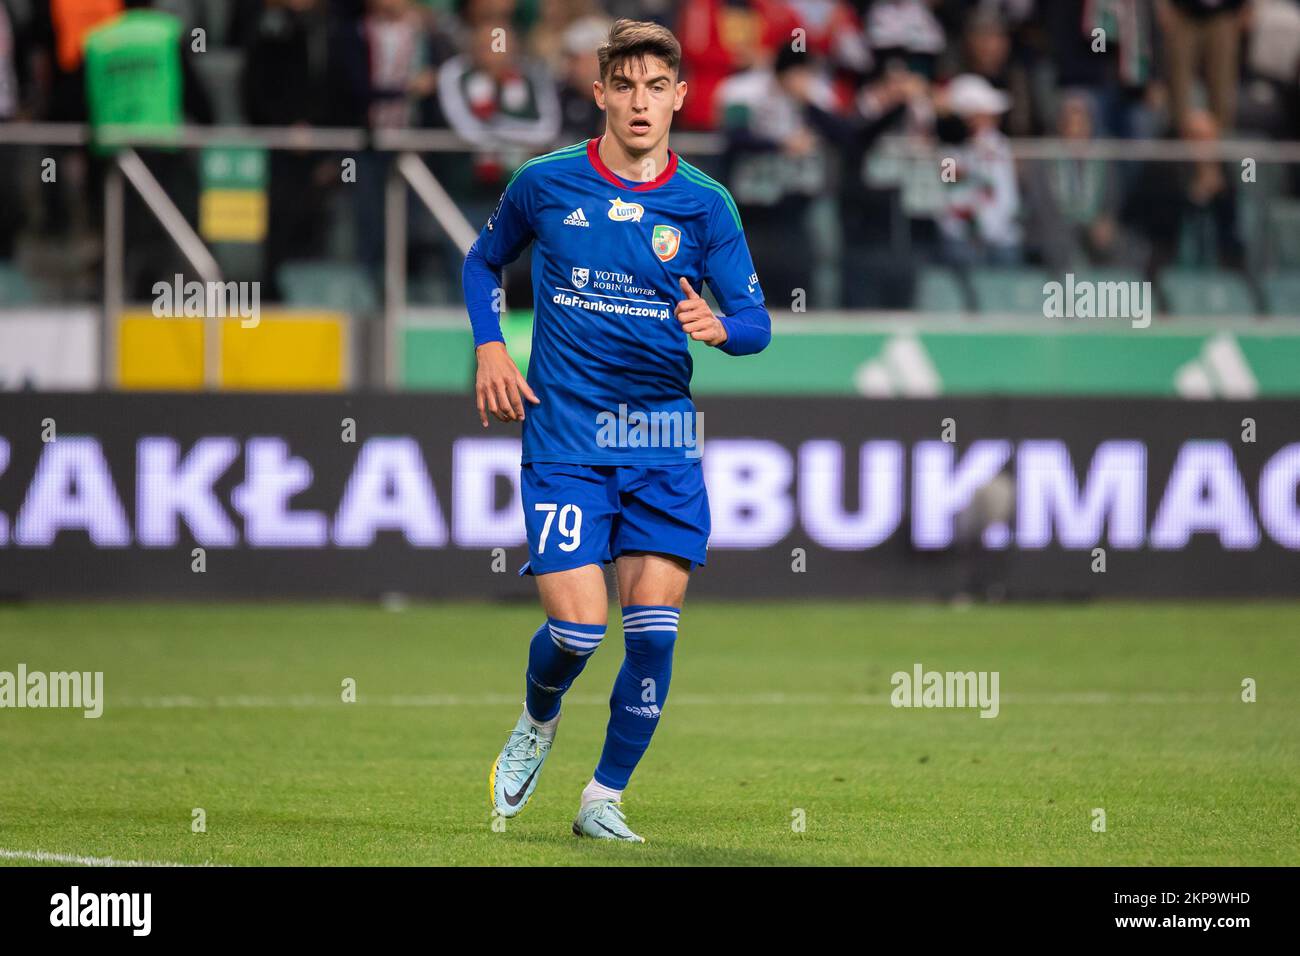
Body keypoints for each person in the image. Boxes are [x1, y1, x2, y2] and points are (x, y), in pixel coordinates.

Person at [462, 18, 772, 842]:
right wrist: (491, 345)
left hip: (661, 442)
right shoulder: (546, 183)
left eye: (656, 87)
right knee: (576, 630)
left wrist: (722, 327)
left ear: (680, 96)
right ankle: (537, 719)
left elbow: (756, 324)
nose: (641, 102)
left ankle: (603, 798)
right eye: (625, 85)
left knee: (654, 632)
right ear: (600, 94)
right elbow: (481, 259)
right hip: (565, 433)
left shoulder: (705, 206)